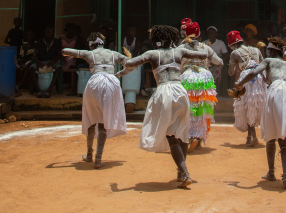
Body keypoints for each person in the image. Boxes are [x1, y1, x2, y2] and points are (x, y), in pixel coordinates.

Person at [118, 24, 207, 188]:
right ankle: (181, 174)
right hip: (180, 91)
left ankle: (185, 173)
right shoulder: (179, 51)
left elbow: (130, 63)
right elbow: (203, 55)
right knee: (182, 132)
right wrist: (194, 44)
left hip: (164, 92)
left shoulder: (152, 54)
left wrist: (120, 68)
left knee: (171, 135)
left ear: (156, 40)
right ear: (172, 39)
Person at [236, 36, 286, 189]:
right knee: (283, 138)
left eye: (268, 50)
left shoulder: (268, 61)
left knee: (271, 132)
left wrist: (240, 83)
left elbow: (253, 73)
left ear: (271, 51)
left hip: (277, 91)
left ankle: (271, 172)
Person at [62, 32, 128, 168]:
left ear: (92, 44)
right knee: (103, 122)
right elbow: (130, 63)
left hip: (95, 83)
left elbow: (65, 51)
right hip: (111, 83)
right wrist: (120, 74)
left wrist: (77, 52)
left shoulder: (89, 54)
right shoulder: (113, 53)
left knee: (91, 119)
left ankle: (89, 154)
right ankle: (98, 158)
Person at [180, 21, 223, 151]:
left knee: (188, 108)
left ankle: (188, 137)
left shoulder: (182, 47)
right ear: (199, 34)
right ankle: (197, 138)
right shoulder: (205, 47)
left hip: (188, 77)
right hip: (204, 77)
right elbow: (219, 62)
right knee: (202, 108)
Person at [228, 30, 267, 146]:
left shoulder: (235, 53)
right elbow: (262, 65)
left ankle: (253, 137)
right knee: (253, 106)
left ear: (232, 45)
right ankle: (250, 136)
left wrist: (235, 68)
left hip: (246, 79)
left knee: (248, 106)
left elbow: (230, 72)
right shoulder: (256, 49)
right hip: (259, 78)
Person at [30, 26, 62, 98]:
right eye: (47, 32)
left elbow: (60, 54)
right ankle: (38, 90)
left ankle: (49, 90)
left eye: (50, 32)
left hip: (51, 62)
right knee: (32, 67)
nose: (48, 34)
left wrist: (53, 61)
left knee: (59, 67)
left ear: (53, 33)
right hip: (41, 61)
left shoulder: (56, 42)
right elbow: (34, 54)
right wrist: (38, 62)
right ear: (44, 33)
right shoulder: (40, 42)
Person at [203, 26, 228, 91]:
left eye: (212, 33)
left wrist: (217, 62)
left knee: (217, 70)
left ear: (216, 34)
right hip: (206, 64)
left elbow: (226, 55)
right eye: (209, 33)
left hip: (217, 63)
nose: (210, 34)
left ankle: (217, 90)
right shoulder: (204, 43)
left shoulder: (220, 43)